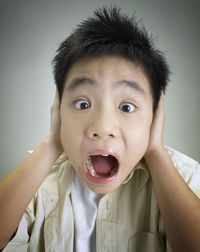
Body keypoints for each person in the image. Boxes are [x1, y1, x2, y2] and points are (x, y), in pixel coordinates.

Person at [0, 6, 200, 252]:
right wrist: (52, 142)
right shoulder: (38, 179)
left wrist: (156, 150)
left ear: (156, 114)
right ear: (58, 109)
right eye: (83, 104)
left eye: (126, 107)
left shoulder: (185, 176)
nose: (103, 128)